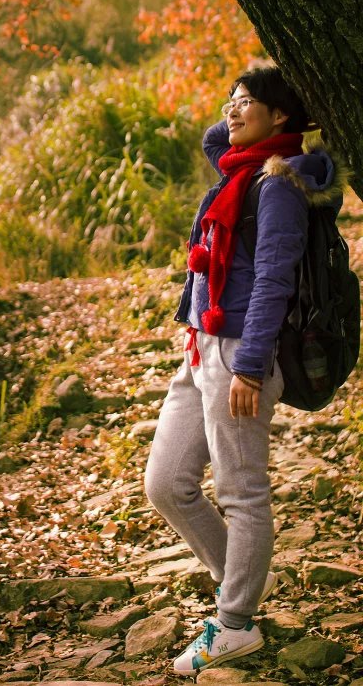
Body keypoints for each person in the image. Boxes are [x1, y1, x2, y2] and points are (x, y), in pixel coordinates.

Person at [144, 66, 343, 677]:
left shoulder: (277, 185)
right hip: (201, 345)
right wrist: (248, 104)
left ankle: (234, 625)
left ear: (281, 116)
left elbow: (276, 281)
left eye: (245, 103)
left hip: (240, 353)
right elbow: (217, 139)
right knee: (166, 482)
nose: (230, 113)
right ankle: (243, 583)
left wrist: (252, 367)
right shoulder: (240, 169)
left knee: (240, 491)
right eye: (228, 102)